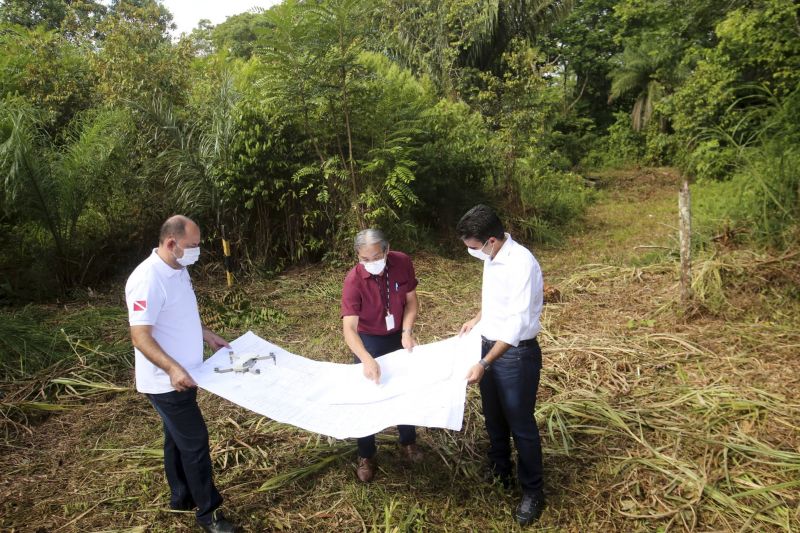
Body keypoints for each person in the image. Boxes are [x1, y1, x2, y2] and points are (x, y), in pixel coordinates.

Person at [125, 215, 238, 533]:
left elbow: (180, 316)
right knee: (195, 442)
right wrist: (173, 369)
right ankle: (209, 513)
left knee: (176, 438)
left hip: (188, 373)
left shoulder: (179, 269)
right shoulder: (147, 279)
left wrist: (207, 335)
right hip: (166, 381)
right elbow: (141, 336)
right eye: (193, 246)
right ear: (171, 243)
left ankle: (181, 496)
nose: (197, 252)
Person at [457, 204, 546, 526]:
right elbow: (496, 301)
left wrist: (484, 361)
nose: (472, 253)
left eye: (474, 247)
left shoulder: (522, 264)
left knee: (521, 425)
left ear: (492, 240)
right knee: (494, 418)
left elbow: (516, 325)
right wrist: (477, 318)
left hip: (514, 354)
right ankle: (500, 470)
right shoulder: (492, 257)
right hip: (489, 346)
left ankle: (533, 491)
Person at [340, 228, 423, 482]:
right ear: (357, 255)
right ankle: (366, 454)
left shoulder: (402, 262)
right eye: (364, 259)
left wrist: (407, 331)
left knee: (403, 388)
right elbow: (349, 329)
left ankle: (408, 441)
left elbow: (411, 302)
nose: (371, 264)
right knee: (368, 395)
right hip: (368, 340)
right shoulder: (353, 281)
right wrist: (366, 358)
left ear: (386, 250)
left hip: (398, 334)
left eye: (376, 257)